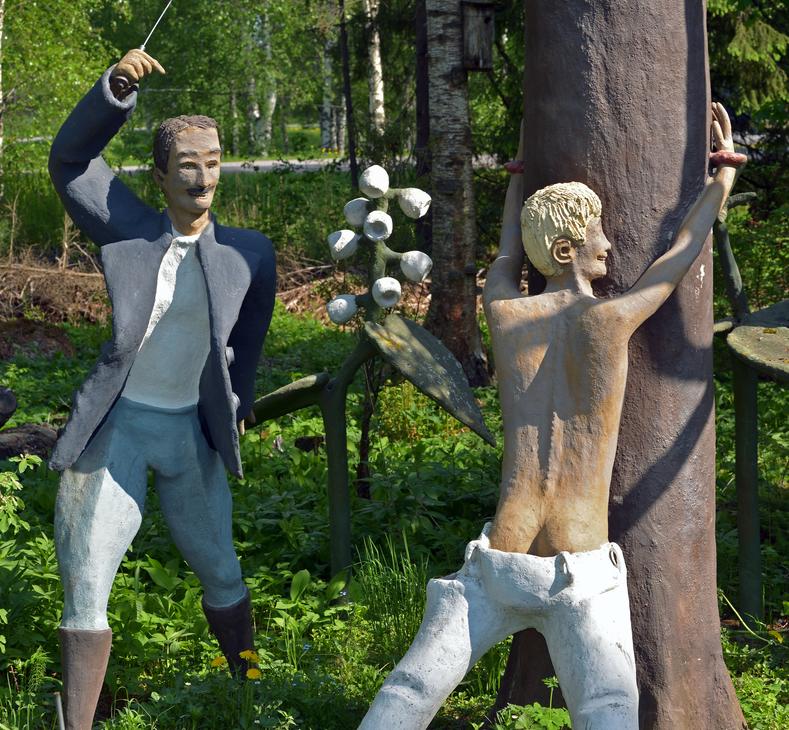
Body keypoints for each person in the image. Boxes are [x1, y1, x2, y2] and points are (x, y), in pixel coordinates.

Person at [360, 104, 744, 729]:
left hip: (500, 559)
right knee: (607, 709)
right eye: (598, 233)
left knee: (408, 691)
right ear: (567, 249)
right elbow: (679, 253)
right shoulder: (610, 321)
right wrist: (722, 173)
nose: (609, 244)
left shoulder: (504, 314)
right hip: (577, 567)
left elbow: (508, 254)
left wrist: (519, 170)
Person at [48, 49, 276, 730]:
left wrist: (238, 403)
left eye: (213, 162)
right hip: (117, 432)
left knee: (223, 570)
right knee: (87, 586)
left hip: (188, 437)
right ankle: (76, 723)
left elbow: (248, 338)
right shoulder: (127, 227)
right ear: (160, 174)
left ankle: (251, 689)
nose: (203, 177)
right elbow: (69, 163)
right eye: (187, 165)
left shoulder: (248, 253)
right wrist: (114, 91)